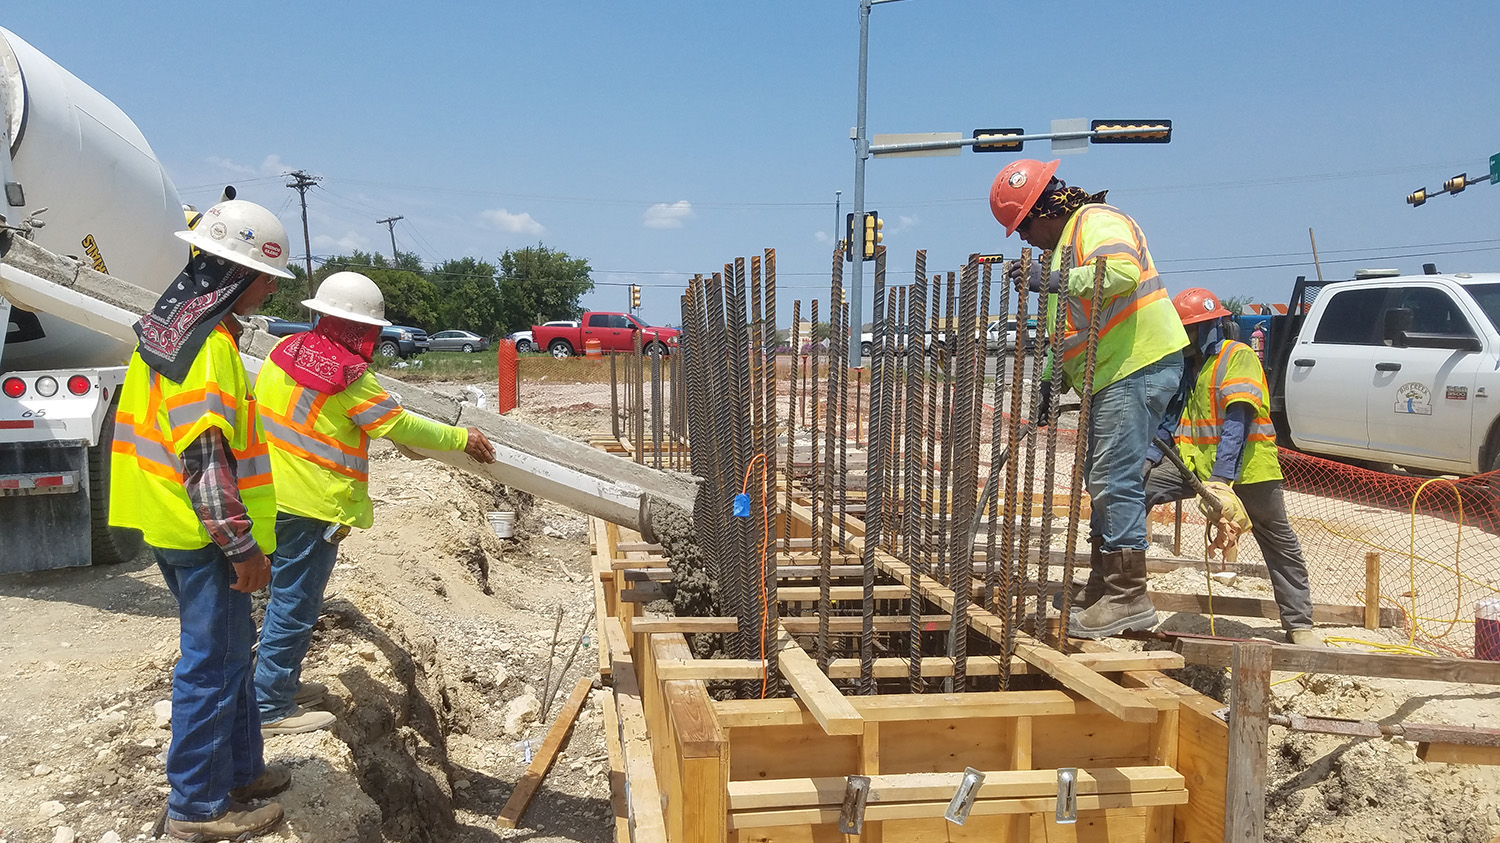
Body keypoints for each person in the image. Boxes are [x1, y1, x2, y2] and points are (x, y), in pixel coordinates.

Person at [109, 199, 293, 840]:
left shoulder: (166, 331)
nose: (271, 289)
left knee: (229, 656)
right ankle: (197, 809)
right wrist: (241, 546)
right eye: (268, 277)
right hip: (204, 535)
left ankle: (240, 771)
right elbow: (206, 461)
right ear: (238, 276)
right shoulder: (207, 349)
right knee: (211, 666)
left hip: (170, 524)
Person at [253, 271, 496, 733]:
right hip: (313, 504)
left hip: (270, 494)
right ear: (360, 329)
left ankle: (273, 682)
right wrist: (460, 437)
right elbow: (399, 424)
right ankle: (269, 704)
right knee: (296, 603)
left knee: (275, 597)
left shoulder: (285, 352)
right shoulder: (345, 375)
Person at [989, 159, 1189, 639]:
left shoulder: (1097, 222)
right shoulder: (1064, 250)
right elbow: (1067, 333)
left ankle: (1127, 598)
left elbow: (1120, 273)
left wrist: (1053, 279)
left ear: (1046, 210)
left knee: (1114, 478)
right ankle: (1105, 586)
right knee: (1099, 477)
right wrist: (1048, 383)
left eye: (1024, 226)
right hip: (1113, 371)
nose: (1025, 240)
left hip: (1135, 363)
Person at [1145, 289, 1320, 645]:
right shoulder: (1186, 366)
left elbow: (1238, 420)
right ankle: (1126, 594)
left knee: (1275, 537)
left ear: (1208, 328)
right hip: (1195, 468)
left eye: (1188, 330)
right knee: (1133, 490)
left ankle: (1299, 624)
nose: (1182, 337)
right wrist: (1147, 460)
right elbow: (1169, 419)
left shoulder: (1236, 356)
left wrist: (1223, 479)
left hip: (1247, 468)